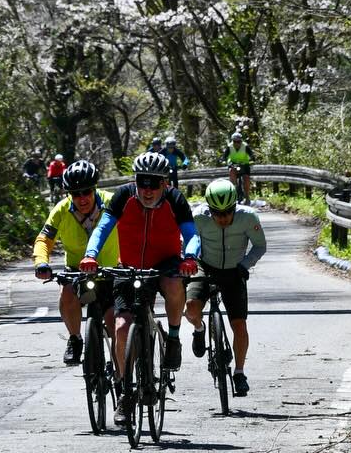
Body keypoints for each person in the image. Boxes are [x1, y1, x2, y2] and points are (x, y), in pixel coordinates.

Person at [81, 152, 197, 424]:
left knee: (173, 283)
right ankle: (124, 392)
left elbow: (192, 235)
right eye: (142, 182)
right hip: (129, 265)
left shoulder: (175, 199)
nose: (147, 190)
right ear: (135, 181)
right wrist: (91, 254)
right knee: (121, 328)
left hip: (166, 263)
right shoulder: (123, 196)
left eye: (154, 183)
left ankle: (174, 338)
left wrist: (190, 258)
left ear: (165, 183)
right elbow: (102, 229)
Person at [184, 178, 265, 397]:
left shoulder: (248, 218)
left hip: (233, 269)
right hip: (205, 266)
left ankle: (239, 373)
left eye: (227, 213)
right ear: (209, 209)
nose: (222, 218)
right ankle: (199, 329)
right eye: (216, 214)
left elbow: (260, 246)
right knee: (191, 307)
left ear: (234, 207)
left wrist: (245, 265)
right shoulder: (198, 216)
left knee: (239, 324)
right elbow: (187, 242)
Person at [32, 160, 119, 364]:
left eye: (86, 191)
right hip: (76, 269)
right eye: (75, 193)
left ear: (95, 188)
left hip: (111, 269)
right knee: (67, 292)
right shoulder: (61, 210)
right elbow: (44, 239)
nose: (82, 198)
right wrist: (41, 263)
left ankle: (119, 370)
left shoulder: (112, 202)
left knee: (113, 320)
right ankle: (75, 338)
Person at [221, 132, 255, 200]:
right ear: (232, 141)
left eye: (238, 141)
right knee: (231, 171)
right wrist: (224, 160)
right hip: (233, 163)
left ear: (241, 141)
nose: (236, 143)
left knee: (246, 178)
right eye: (235, 141)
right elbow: (224, 156)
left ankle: (247, 195)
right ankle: (234, 188)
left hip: (244, 164)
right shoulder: (229, 146)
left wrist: (251, 160)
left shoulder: (245, 146)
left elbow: (251, 155)